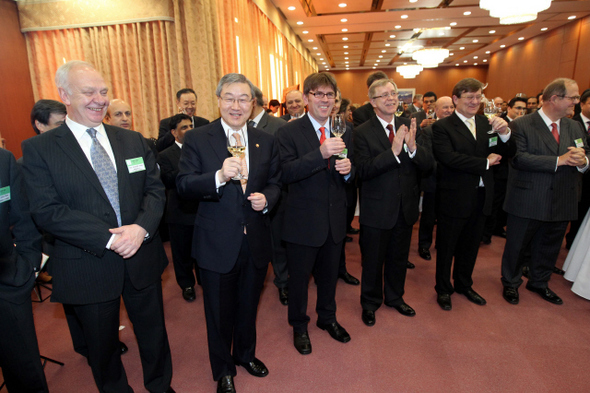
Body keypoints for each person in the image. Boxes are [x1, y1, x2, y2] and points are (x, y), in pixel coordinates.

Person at [21, 60, 174, 393]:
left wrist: (140, 229)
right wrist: (109, 240)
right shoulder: (40, 149)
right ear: (64, 95)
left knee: (153, 332)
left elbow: (154, 190)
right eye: (88, 92)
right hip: (87, 263)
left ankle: (161, 386)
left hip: (141, 253)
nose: (99, 99)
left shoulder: (132, 140)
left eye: (103, 91)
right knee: (102, 347)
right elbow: (47, 210)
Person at [177, 73, 281, 393]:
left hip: (256, 238)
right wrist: (219, 176)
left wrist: (268, 200)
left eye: (243, 99)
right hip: (216, 242)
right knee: (219, 313)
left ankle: (245, 355)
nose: (236, 106)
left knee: (249, 305)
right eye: (230, 99)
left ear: (253, 104)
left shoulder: (265, 139)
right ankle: (223, 370)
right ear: (219, 101)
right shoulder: (198, 138)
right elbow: (183, 185)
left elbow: (277, 182)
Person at [277, 72, 354, 355]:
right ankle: (299, 325)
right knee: (299, 280)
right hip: (302, 221)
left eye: (329, 95)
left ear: (336, 100)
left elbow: (352, 168)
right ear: (307, 97)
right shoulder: (288, 131)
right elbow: (284, 173)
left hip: (334, 219)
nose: (324, 100)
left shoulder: (343, 128)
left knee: (329, 275)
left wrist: (349, 172)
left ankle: (327, 318)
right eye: (318, 94)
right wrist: (319, 154)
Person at [501, 78, 588, 306]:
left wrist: (583, 160)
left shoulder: (574, 126)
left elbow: (584, 151)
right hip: (529, 197)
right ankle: (511, 282)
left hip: (563, 197)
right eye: (573, 97)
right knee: (517, 246)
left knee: (550, 245)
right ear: (554, 99)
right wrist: (559, 160)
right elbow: (519, 158)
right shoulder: (522, 124)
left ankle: (539, 282)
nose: (576, 102)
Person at [354, 78, 433, 326]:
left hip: (405, 207)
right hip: (377, 208)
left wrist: (412, 149)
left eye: (393, 93)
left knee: (399, 258)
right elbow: (361, 172)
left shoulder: (409, 125)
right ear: (372, 102)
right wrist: (393, 153)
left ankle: (395, 297)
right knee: (373, 260)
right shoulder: (361, 132)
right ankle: (369, 302)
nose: (390, 98)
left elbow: (429, 165)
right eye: (383, 95)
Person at [432, 78, 513, 311]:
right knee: (447, 247)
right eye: (470, 98)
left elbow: (507, 152)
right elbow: (448, 158)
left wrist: (506, 131)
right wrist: (484, 163)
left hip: (482, 195)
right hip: (454, 197)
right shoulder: (442, 127)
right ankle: (443, 288)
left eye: (478, 97)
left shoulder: (488, 123)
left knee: (471, 245)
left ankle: (464, 284)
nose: (475, 102)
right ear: (456, 99)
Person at [0, 148, 49, 393]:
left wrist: (28, 266)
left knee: (24, 368)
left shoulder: (3, 159)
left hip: (7, 280)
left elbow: (22, 217)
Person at [249, 86, 290, 305]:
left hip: (275, 195)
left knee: (277, 244)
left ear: (253, 101)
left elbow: (284, 165)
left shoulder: (278, 126)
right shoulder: (237, 126)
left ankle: (283, 283)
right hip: (245, 198)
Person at [158, 113, 200, 302]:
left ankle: (205, 281)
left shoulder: (202, 149)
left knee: (203, 250)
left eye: (191, 126)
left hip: (202, 210)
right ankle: (187, 285)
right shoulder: (165, 155)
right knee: (182, 253)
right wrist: (191, 169)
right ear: (174, 132)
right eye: (184, 127)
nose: (189, 130)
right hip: (179, 212)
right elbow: (168, 180)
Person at [417, 96, 454, 261]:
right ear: (436, 110)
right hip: (433, 180)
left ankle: (443, 244)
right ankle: (424, 245)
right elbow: (428, 158)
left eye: (451, 107)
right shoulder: (428, 131)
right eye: (445, 107)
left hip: (453, 183)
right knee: (428, 217)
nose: (449, 111)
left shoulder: (458, 129)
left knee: (447, 215)